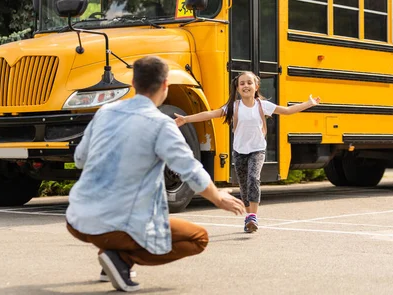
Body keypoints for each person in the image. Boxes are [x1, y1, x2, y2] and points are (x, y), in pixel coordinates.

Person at [65, 56, 246, 292]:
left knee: (121, 220)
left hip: (77, 219)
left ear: (133, 82)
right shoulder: (161, 124)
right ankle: (121, 259)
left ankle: (112, 255)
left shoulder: (105, 112)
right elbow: (189, 169)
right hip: (115, 225)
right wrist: (218, 198)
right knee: (197, 238)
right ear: (165, 85)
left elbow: (80, 158)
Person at [174, 71, 320, 233]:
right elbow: (211, 114)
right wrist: (186, 119)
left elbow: (286, 111)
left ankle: (253, 216)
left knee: (253, 178)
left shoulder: (262, 105)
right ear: (237, 88)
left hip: (257, 149)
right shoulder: (234, 106)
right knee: (244, 186)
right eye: (242, 83)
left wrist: (308, 103)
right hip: (239, 151)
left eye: (249, 83)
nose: (246, 86)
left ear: (256, 86)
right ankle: (248, 217)